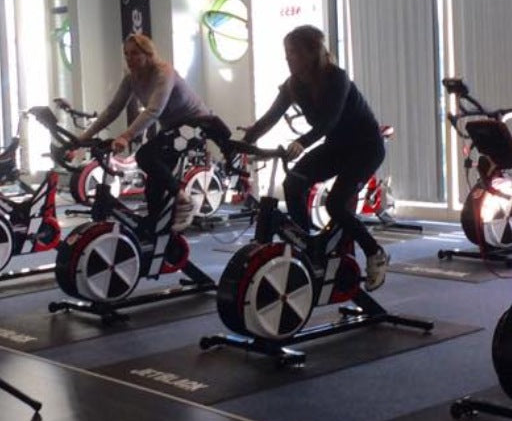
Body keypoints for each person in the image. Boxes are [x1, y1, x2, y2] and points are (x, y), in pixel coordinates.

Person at [242, 25, 390, 290]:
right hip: (337, 147)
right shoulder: (294, 84)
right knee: (293, 184)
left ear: (311, 53)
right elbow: (270, 117)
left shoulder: (336, 78)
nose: (287, 58)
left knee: (335, 204)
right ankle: (308, 248)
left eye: (293, 53)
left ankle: (375, 253)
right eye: (286, 53)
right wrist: (245, 142)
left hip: (365, 147)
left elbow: (328, 122)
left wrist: (302, 142)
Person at [75, 33, 210, 232]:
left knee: (145, 156)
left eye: (135, 54)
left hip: (196, 126)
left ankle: (184, 200)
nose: (129, 59)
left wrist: (126, 136)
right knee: (153, 184)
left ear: (148, 54)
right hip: (173, 130)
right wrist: (83, 138)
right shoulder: (132, 79)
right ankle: (157, 230)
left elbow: (154, 110)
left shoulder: (164, 72)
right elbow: (113, 110)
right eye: (126, 54)